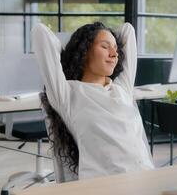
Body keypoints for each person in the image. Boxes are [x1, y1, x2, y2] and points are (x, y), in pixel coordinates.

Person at [31, 22, 154, 180]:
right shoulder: (67, 94)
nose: (114, 54)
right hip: (103, 184)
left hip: (144, 177)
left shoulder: (122, 89)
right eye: (105, 47)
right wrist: (69, 50)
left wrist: (107, 39)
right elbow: (40, 33)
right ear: (84, 50)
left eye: (116, 49)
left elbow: (128, 30)